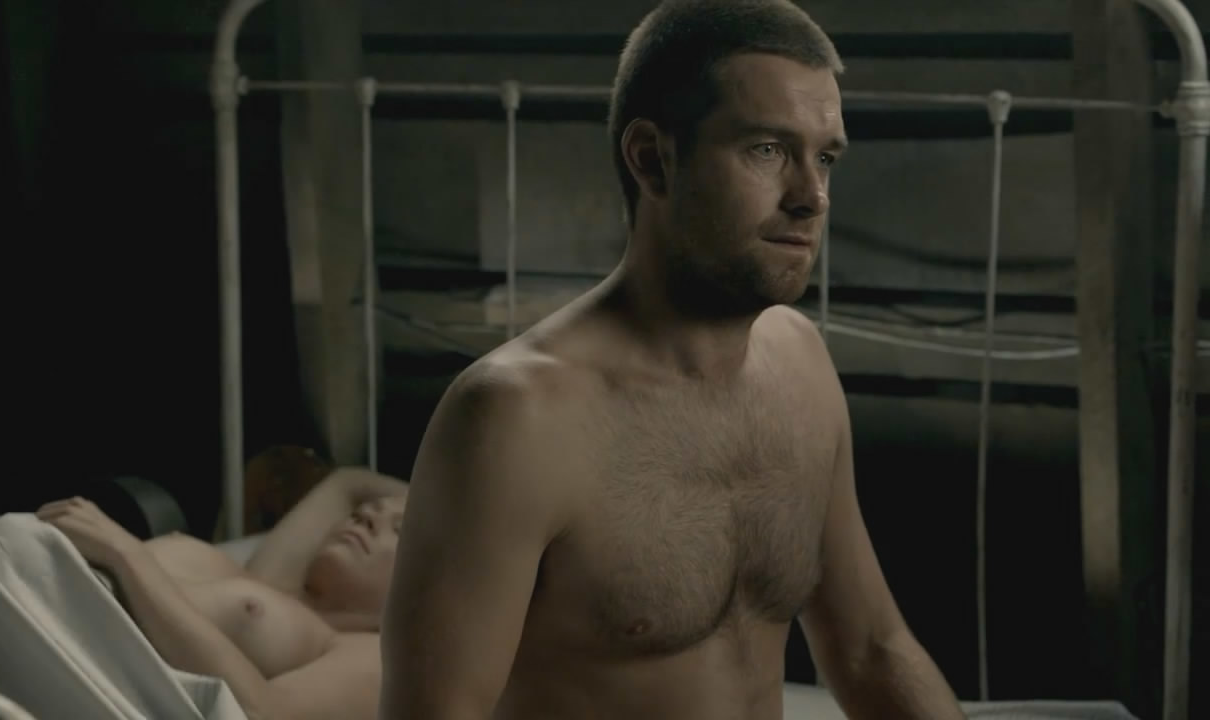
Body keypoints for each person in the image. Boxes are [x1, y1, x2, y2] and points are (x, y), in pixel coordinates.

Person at [379, 2, 967, 719]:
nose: (811, 197)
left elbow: (871, 649)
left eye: (825, 157)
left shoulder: (801, 366)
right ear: (652, 160)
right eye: (767, 150)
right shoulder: (516, 418)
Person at [38, 466, 406, 720]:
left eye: (401, 529)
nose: (367, 516)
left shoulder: (371, 654)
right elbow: (348, 483)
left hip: (50, 639)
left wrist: (127, 557)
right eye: (365, 512)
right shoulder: (270, 580)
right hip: (35, 574)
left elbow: (262, 715)